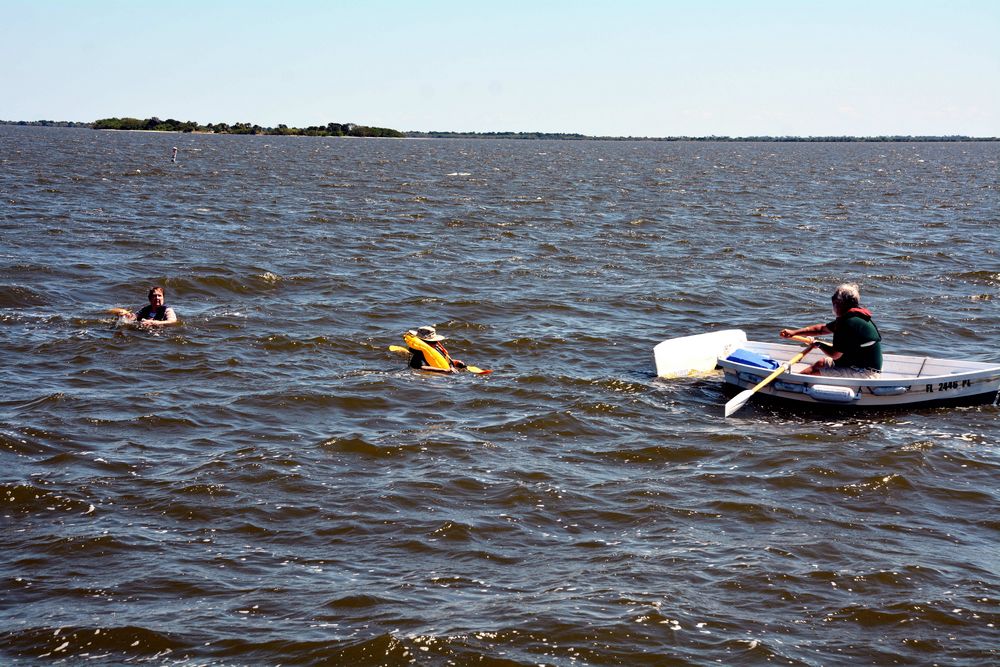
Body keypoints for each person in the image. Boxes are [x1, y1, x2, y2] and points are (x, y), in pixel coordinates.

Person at [780, 283, 882, 377]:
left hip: (866, 372)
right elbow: (820, 329)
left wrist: (819, 344)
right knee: (821, 363)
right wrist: (794, 332)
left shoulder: (847, 323)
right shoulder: (854, 317)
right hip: (855, 362)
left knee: (814, 372)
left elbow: (835, 355)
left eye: (834, 303)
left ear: (839, 303)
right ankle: (797, 380)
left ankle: (792, 383)